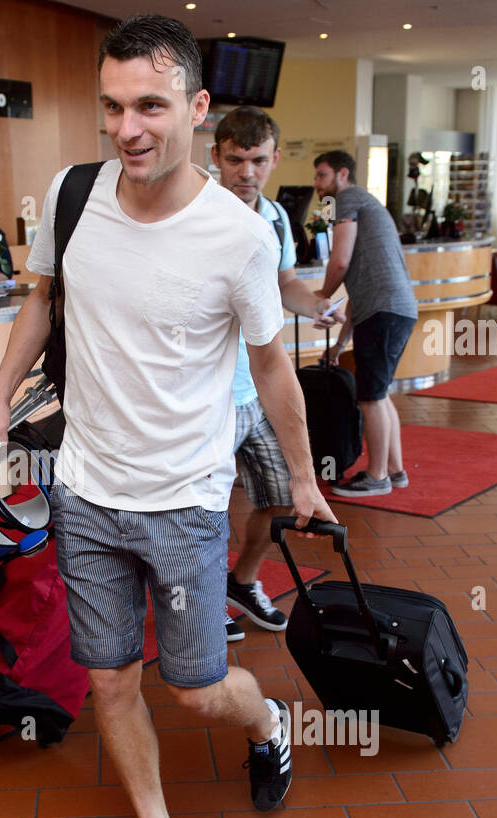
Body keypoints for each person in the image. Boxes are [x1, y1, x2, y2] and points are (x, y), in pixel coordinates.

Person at [0, 14, 336, 818]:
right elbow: (41, 304)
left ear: (199, 109)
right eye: (113, 104)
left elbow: (271, 364)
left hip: (187, 498)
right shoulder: (72, 193)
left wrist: (305, 478)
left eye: (152, 106)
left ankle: (267, 721)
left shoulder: (238, 237)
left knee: (200, 688)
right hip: (86, 487)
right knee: (109, 677)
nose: (127, 127)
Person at [211, 106, 344, 642]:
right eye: (236, 160)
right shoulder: (196, 213)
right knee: (206, 510)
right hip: (210, 395)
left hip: (259, 388)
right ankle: (199, 598)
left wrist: (313, 303)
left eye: (258, 161)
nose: (247, 173)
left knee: (278, 499)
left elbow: (284, 282)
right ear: (216, 156)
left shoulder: (275, 217)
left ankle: (241, 581)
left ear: (275, 158)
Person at [313, 150, 417, 497]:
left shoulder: (349, 198)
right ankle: (395, 470)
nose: (317, 184)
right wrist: (340, 345)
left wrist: (320, 297)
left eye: (323, 175)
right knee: (379, 393)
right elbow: (358, 292)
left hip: (385, 310)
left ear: (343, 175)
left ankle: (376, 478)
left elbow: (339, 262)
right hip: (393, 309)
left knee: (370, 397)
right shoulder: (363, 203)